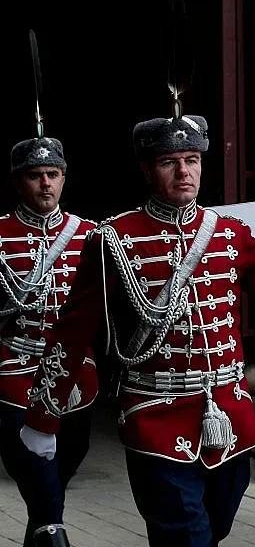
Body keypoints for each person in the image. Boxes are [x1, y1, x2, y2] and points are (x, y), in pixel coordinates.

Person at [20, 107, 255, 546]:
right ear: (147, 169)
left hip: (230, 421)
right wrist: (45, 418)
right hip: (155, 415)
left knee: (213, 532)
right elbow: (73, 330)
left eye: (192, 161)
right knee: (184, 536)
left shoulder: (230, 234)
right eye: (169, 162)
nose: (184, 172)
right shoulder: (112, 238)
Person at [0, 31, 96, 547]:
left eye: (53, 174)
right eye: (35, 175)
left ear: (64, 178)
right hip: (16, 366)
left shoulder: (90, 234)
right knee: (31, 459)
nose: (45, 184)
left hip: (77, 370)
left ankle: (44, 522)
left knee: (66, 456)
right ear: (20, 181)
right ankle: (50, 529)